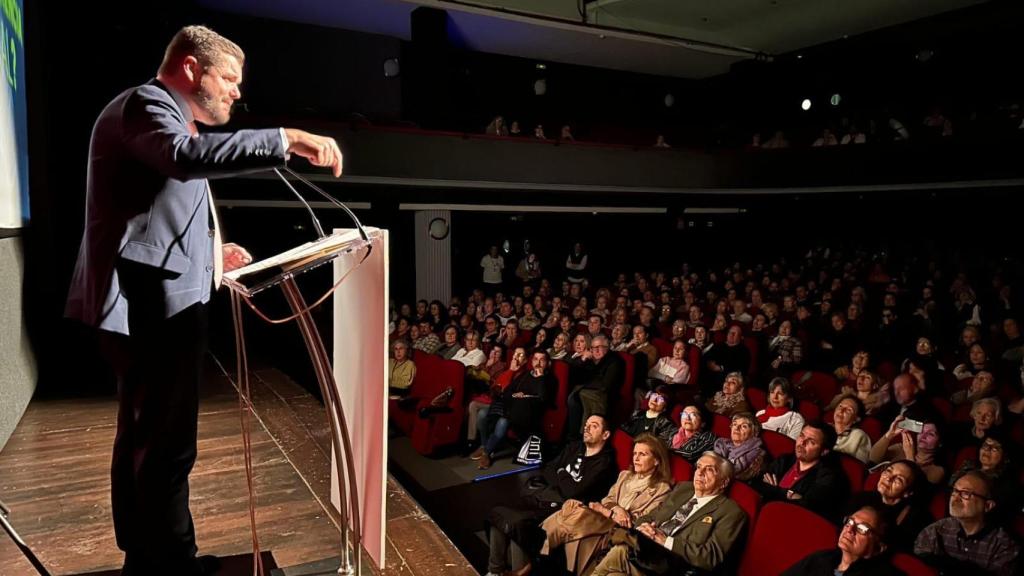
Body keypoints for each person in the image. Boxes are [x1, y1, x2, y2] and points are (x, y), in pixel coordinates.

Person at [63, 25, 343, 576]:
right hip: (150, 305)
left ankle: (149, 557)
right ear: (192, 68)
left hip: (161, 298)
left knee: (149, 439)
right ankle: (170, 563)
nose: (238, 91)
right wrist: (284, 138)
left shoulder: (165, 115)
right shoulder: (146, 105)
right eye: (229, 78)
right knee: (165, 444)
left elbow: (155, 215)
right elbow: (184, 158)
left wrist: (215, 253)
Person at [485, 415, 617, 576]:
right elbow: (548, 469)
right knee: (499, 513)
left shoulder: (605, 463)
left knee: (518, 523)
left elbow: (573, 492)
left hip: (567, 509)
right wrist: (562, 480)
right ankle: (495, 570)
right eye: (586, 424)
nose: (587, 428)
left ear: (605, 435)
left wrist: (561, 472)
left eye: (594, 426)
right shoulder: (575, 447)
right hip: (545, 496)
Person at [589, 452, 747, 576]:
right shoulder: (683, 489)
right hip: (645, 549)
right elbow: (651, 516)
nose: (700, 472)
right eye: (699, 467)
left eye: (709, 469)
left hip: (672, 565)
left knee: (620, 551)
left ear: (724, 482)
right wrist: (644, 527)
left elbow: (710, 557)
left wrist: (664, 540)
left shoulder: (731, 512)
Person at [538, 433, 673, 575]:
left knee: (575, 509)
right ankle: (540, 547)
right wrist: (617, 509)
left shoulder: (662, 489)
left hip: (619, 531)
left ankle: (539, 545)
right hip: (603, 521)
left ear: (656, 460)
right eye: (635, 453)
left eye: (643, 454)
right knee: (572, 507)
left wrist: (608, 512)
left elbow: (640, 521)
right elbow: (608, 499)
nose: (636, 458)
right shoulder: (625, 475)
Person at [915, 471, 1020, 576]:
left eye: (966, 493)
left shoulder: (1003, 546)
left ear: (988, 506)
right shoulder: (938, 529)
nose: (955, 498)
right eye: (955, 491)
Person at [754, 422, 846, 522]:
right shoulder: (784, 460)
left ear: (824, 451)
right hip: (763, 515)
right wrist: (789, 494)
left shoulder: (827, 477)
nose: (802, 443)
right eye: (801, 436)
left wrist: (773, 489)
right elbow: (757, 485)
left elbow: (805, 507)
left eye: (811, 442)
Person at [781, 506, 902, 576]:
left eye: (862, 528)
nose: (849, 529)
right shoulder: (821, 558)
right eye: (850, 521)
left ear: (879, 547)